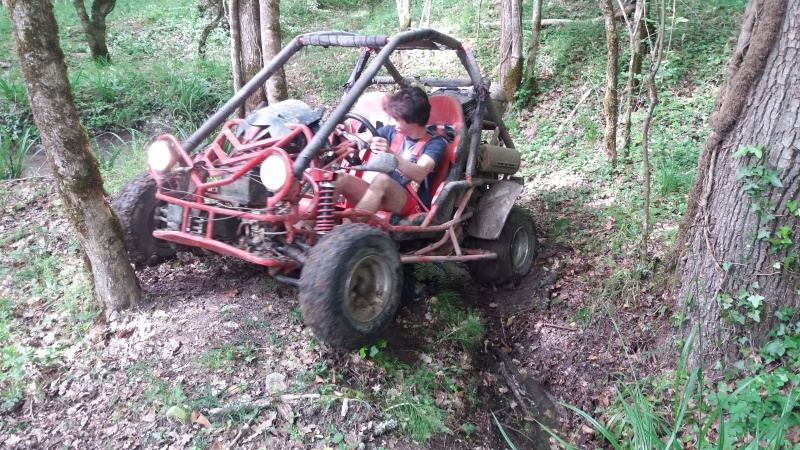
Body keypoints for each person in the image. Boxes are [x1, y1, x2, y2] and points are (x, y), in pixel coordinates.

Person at [336, 87, 447, 217]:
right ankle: (308, 227)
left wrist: (391, 154)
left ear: (413, 121)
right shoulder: (391, 131)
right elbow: (363, 140)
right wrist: (347, 136)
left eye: (397, 119)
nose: (392, 122)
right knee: (338, 177)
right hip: (380, 194)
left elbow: (420, 173)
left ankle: (348, 232)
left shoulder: (435, 143)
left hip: (411, 204)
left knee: (382, 180)